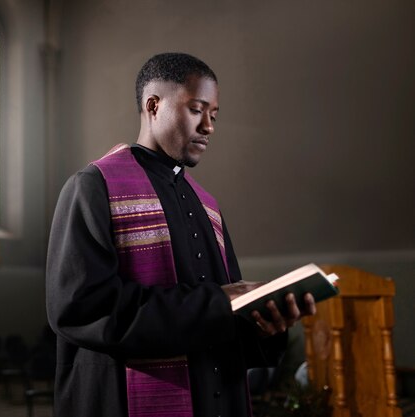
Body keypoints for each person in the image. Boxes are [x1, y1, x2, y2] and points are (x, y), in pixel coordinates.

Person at [46, 52, 316, 417]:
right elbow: (81, 308)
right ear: (153, 105)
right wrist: (219, 303)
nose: (209, 126)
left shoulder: (208, 205)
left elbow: (227, 314)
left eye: (214, 115)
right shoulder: (94, 187)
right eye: (196, 109)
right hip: (124, 397)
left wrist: (265, 324)